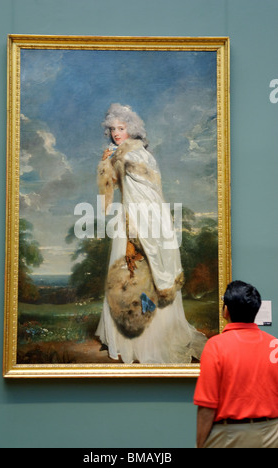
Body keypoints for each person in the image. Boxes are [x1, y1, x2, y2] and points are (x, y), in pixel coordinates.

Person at [95, 103, 207, 364]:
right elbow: (107, 194)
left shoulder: (140, 154)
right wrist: (105, 164)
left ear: (131, 129)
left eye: (121, 128)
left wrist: (142, 227)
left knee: (146, 276)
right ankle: (122, 339)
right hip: (126, 220)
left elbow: (150, 193)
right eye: (112, 129)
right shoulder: (115, 153)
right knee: (121, 278)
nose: (116, 133)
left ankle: (151, 340)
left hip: (144, 222)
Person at [194, 280, 278, 448]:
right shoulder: (274, 344)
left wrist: (200, 444)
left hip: (230, 436)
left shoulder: (216, 345)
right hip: (272, 433)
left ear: (226, 311)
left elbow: (207, 405)